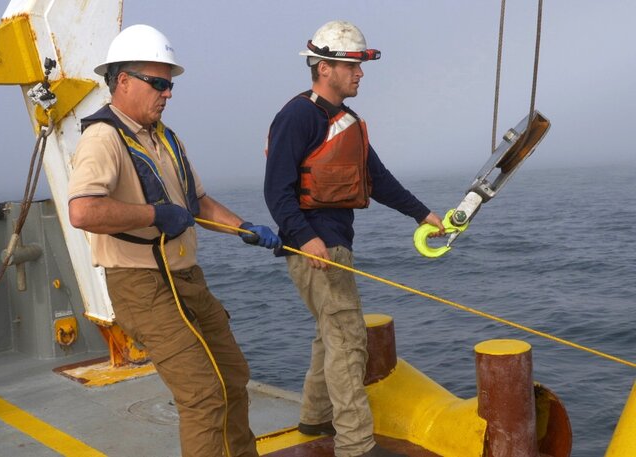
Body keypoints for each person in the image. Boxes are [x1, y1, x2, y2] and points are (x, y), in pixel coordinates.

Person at [68, 24, 280, 457]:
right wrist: (154, 215)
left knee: (232, 377)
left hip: (186, 277)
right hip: (140, 284)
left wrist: (244, 228)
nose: (167, 94)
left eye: (170, 85)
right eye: (158, 83)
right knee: (202, 395)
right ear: (122, 81)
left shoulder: (166, 137)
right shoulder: (102, 138)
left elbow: (198, 203)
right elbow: (83, 211)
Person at [263, 20, 445, 457]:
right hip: (316, 249)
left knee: (331, 334)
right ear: (324, 68)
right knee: (348, 340)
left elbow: (377, 179)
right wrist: (306, 238)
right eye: (352, 66)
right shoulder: (297, 116)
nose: (360, 73)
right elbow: (276, 190)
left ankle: (315, 417)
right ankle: (357, 445)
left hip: (334, 245)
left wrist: (422, 214)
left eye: (361, 65)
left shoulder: (348, 122)